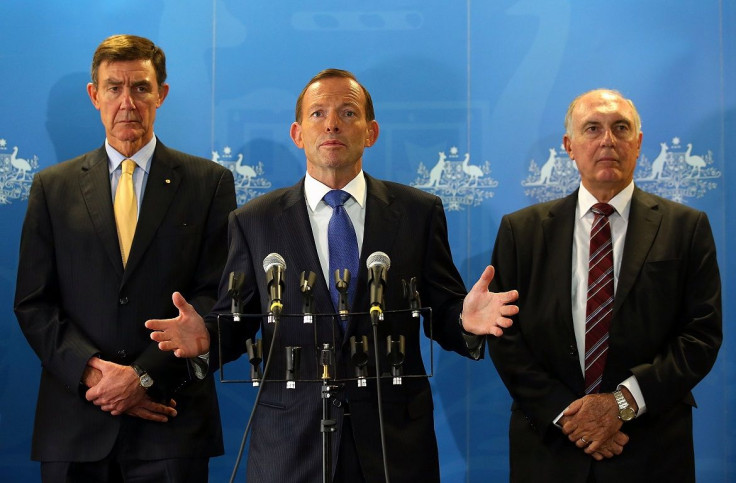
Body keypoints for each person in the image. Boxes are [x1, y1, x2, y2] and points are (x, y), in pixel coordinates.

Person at [145, 68, 519, 482]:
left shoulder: (417, 212)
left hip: (392, 443)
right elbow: (236, 323)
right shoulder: (255, 221)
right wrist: (205, 341)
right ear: (297, 133)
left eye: (347, 112)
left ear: (371, 131)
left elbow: (441, 311)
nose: (332, 124)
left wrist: (465, 321)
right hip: (290, 443)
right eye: (318, 114)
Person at [14, 34, 236, 482]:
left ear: (161, 95)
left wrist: (142, 377)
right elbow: (34, 303)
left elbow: (217, 295)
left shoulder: (209, 183)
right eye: (114, 87)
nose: (127, 102)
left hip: (170, 420)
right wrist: (94, 375)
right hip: (75, 422)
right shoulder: (52, 188)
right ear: (95, 95)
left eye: (140, 87)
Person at [487, 89, 722, 482]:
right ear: (569, 146)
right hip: (550, 448)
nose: (608, 140)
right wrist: (568, 416)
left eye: (621, 128)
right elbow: (505, 336)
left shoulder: (686, 228)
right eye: (592, 129)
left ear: (639, 142)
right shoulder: (521, 231)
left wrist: (621, 404)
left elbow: (700, 336)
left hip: (650, 447)